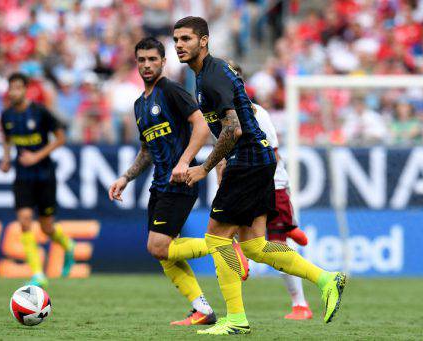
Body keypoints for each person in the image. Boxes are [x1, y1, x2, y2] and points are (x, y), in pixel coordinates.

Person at [173, 16, 346, 335]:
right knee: (254, 246)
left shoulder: (212, 77)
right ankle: (325, 279)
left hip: (247, 160)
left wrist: (205, 167)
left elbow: (233, 128)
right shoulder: (207, 75)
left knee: (216, 238)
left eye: (186, 39)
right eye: (176, 40)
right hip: (260, 160)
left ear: (204, 41)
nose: (179, 45)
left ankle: (236, 319)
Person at [108, 37, 217, 326]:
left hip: (180, 180)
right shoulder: (139, 105)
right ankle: (202, 310)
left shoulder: (171, 91)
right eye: (142, 60)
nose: (147, 65)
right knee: (166, 254)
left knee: (157, 247)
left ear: (163, 62)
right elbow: (147, 149)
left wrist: (184, 161)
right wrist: (126, 177)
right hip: (159, 184)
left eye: (152, 59)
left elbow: (202, 125)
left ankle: (222, 247)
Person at [226, 60, 313, 320]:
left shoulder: (257, 113)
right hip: (251, 184)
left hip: (270, 185)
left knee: (275, 244)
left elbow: (273, 156)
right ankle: (285, 229)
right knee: (234, 234)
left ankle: (300, 304)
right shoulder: (223, 113)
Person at [0, 72, 75, 288]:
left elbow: (61, 138)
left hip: (44, 175)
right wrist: (6, 159)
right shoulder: (6, 116)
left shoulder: (40, 112)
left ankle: (67, 244)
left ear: (25, 89)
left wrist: (37, 156)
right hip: (22, 176)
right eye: (11, 88)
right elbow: (6, 138)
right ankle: (38, 273)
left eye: (18, 87)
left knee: (46, 227)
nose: (14, 92)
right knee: (24, 220)